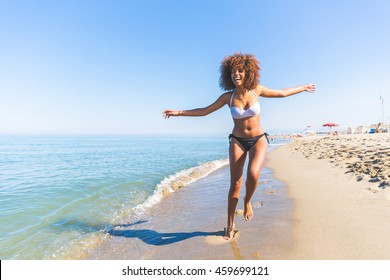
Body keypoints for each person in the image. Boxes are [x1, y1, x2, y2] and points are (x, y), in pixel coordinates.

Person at [163, 52, 316, 240]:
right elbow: (204, 111)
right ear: (229, 75)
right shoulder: (228, 97)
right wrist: (178, 112)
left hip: (258, 138)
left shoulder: (256, 90)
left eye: (240, 71)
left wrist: (303, 87)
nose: (236, 74)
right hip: (237, 140)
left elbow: (282, 92)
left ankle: (248, 201)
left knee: (253, 174)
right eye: (233, 71)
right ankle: (229, 223)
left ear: (248, 72)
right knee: (235, 183)